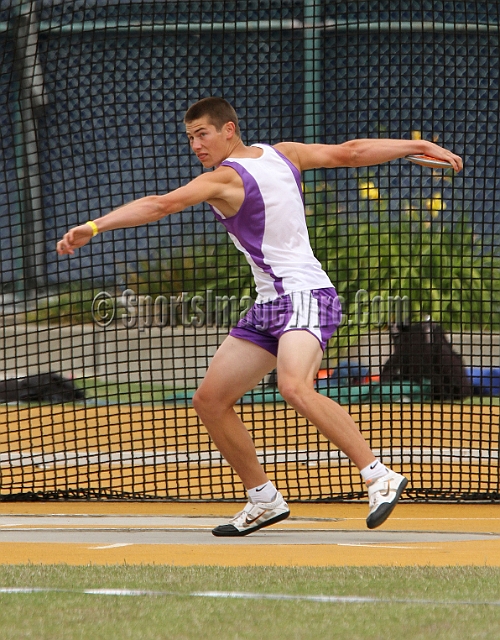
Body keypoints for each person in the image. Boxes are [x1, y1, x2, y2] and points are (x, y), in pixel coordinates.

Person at [57, 97, 463, 536]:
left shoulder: (228, 177)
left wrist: (94, 227)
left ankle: (377, 474)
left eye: (203, 134)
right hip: (270, 305)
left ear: (229, 130)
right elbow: (350, 152)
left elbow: (159, 205)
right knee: (210, 401)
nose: (196, 144)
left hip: (306, 295)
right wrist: (411, 146)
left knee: (293, 386)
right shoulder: (284, 152)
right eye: (190, 137)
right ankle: (263, 499)